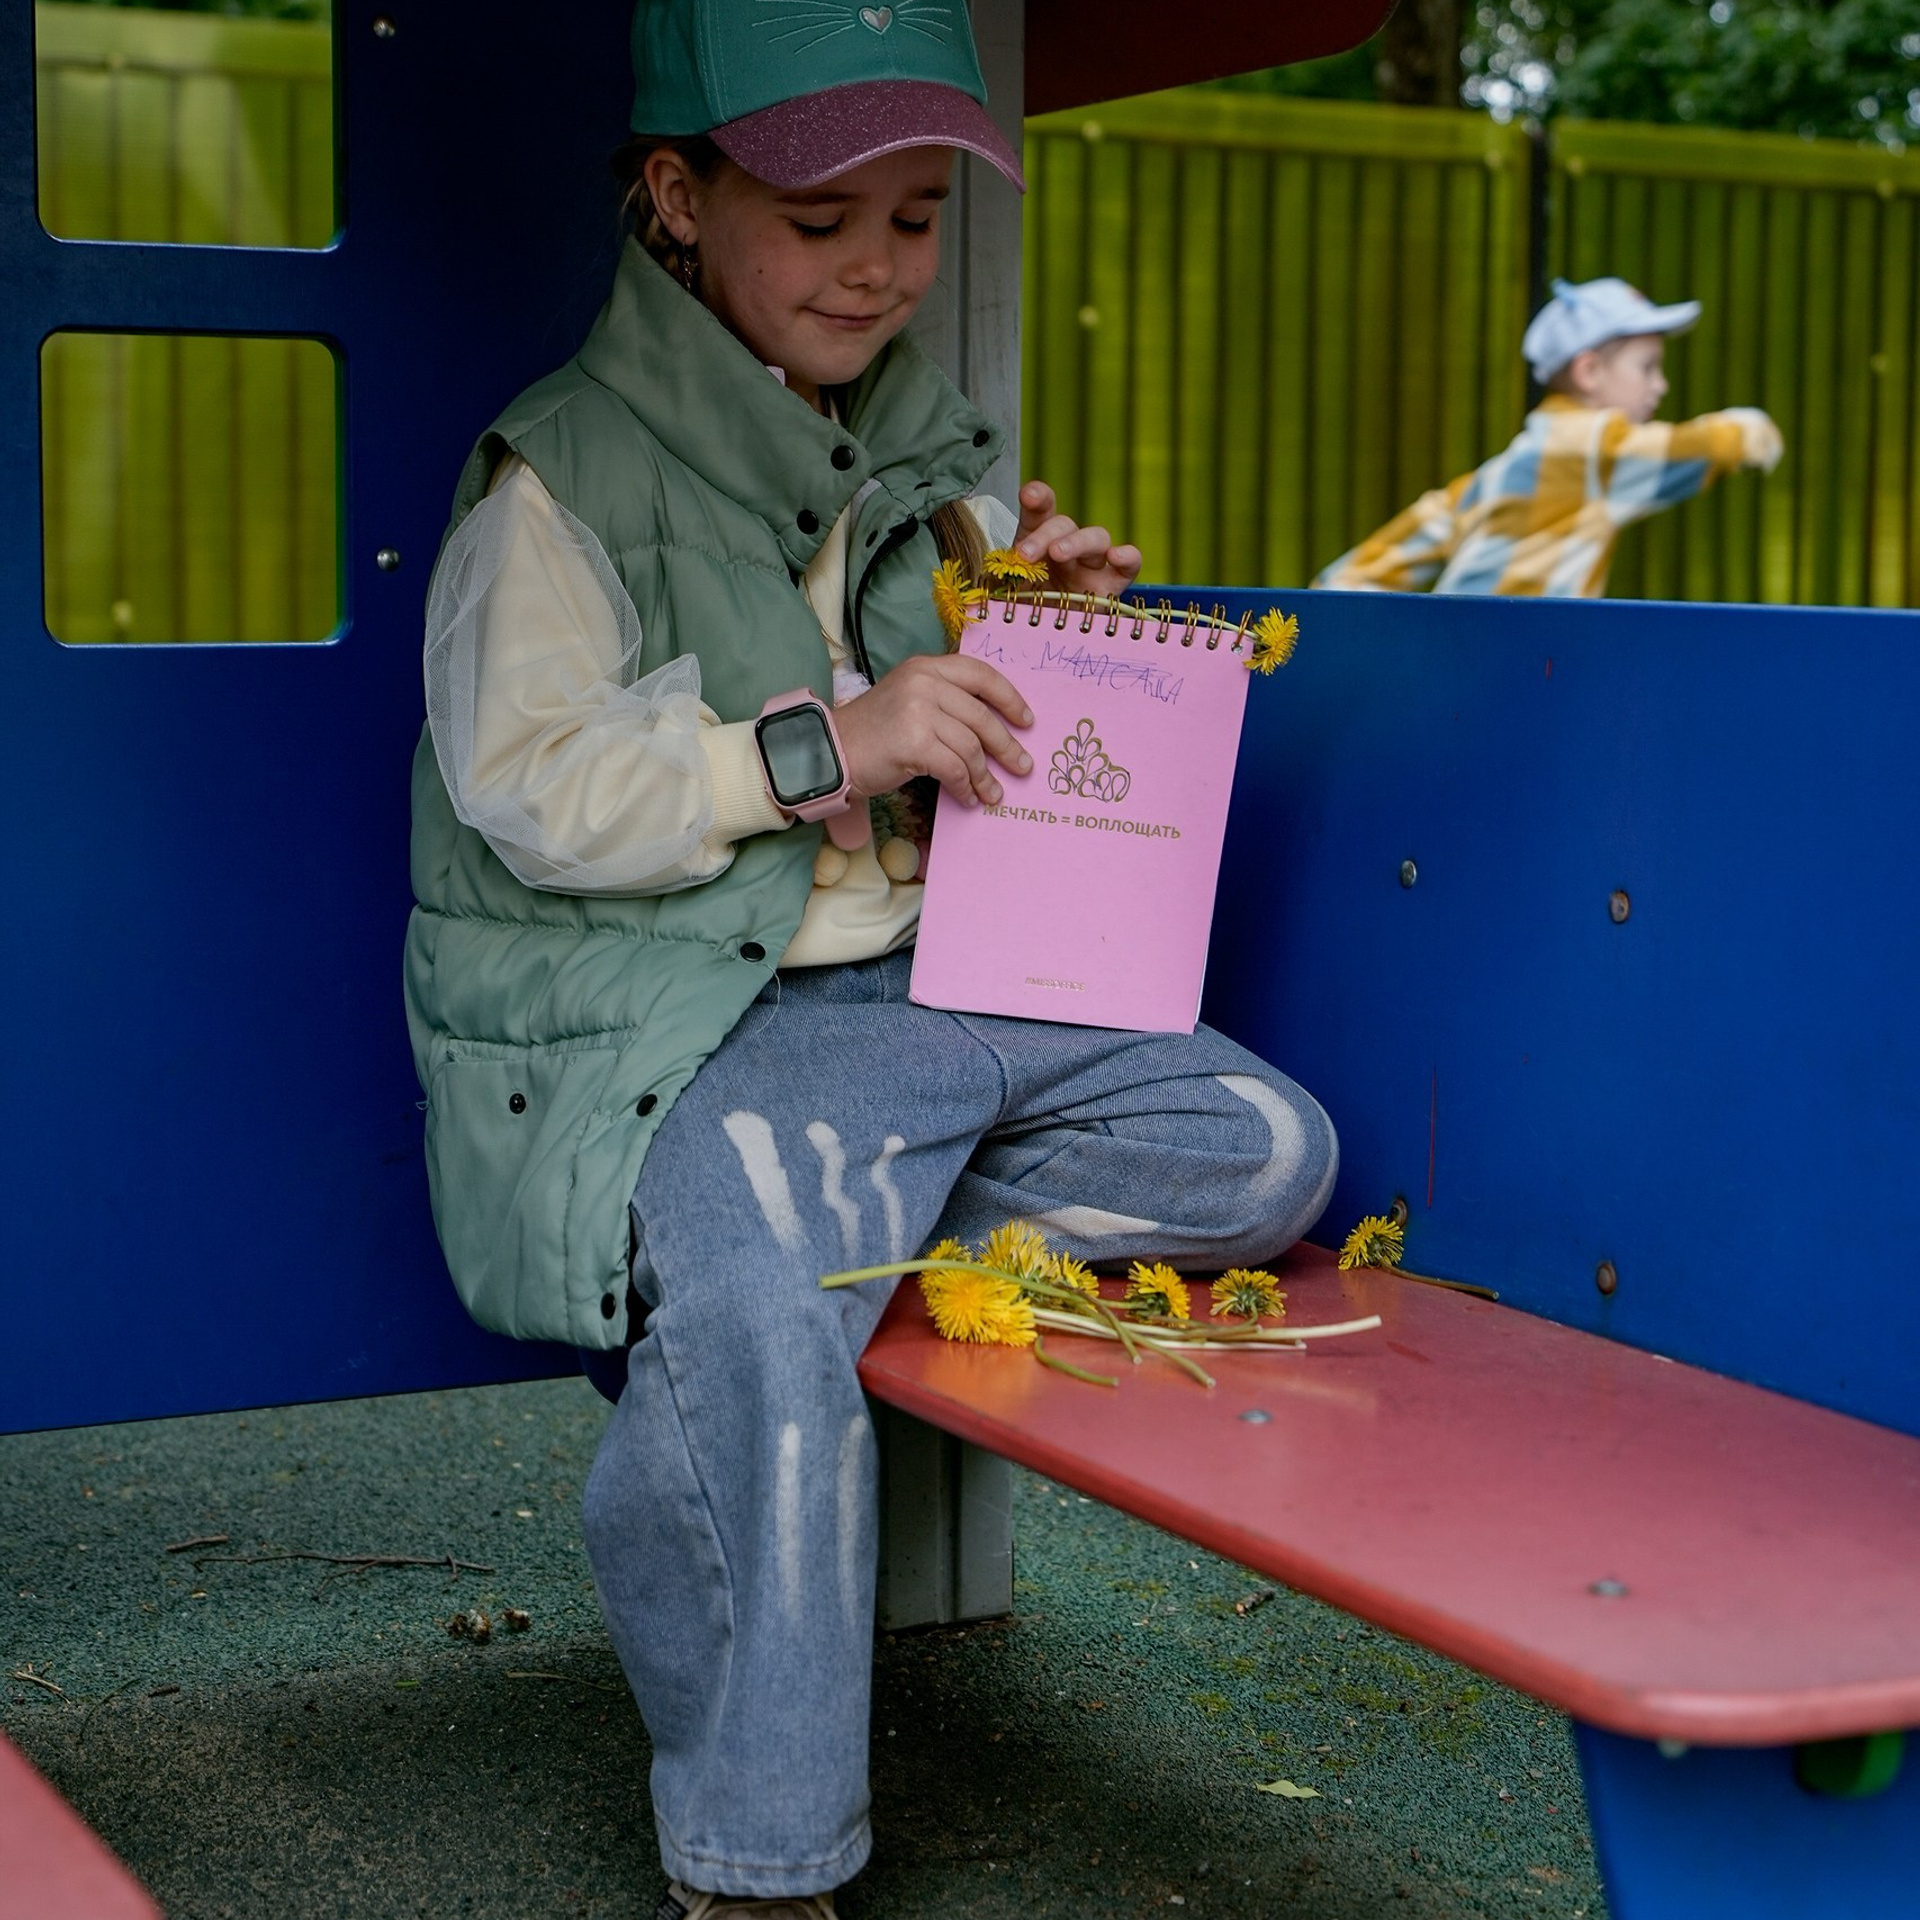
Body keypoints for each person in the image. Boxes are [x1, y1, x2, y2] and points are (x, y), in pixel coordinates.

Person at [404, 5, 1339, 1917]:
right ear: (678, 200)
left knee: (1266, 1152)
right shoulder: (557, 480)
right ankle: (760, 1857)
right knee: (759, 1335)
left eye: (912, 220)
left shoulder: (938, 466)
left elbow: (1007, 740)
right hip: (697, 1025)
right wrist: (831, 736)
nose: (875, 267)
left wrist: (1058, 628)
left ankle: (840, 1204)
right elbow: (530, 788)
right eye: (823, 215)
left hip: (929, 1014)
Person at [1312, 277, 1784, 598]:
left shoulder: (1511, 464)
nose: (1660, 386)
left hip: (1459, 655)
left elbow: (1405, 540)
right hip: (1525, 662)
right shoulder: (1595, 447)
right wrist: (1749, 430)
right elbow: (1693, 453)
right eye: (1647, 368)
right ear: (1589, 371)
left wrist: (1334, 595)